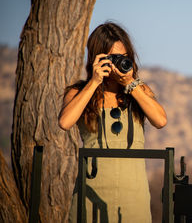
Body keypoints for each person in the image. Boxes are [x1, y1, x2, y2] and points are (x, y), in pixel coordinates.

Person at [58, 22, 167, 223]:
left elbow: (160, 120)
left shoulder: (138, 90)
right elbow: (65, 122)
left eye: (123, 57)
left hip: (134, 196)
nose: (118, 63)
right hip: (90, 194)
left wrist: (130, 84)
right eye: (112, 58)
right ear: (96, 59)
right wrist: (94, 82)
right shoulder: (79, 92)